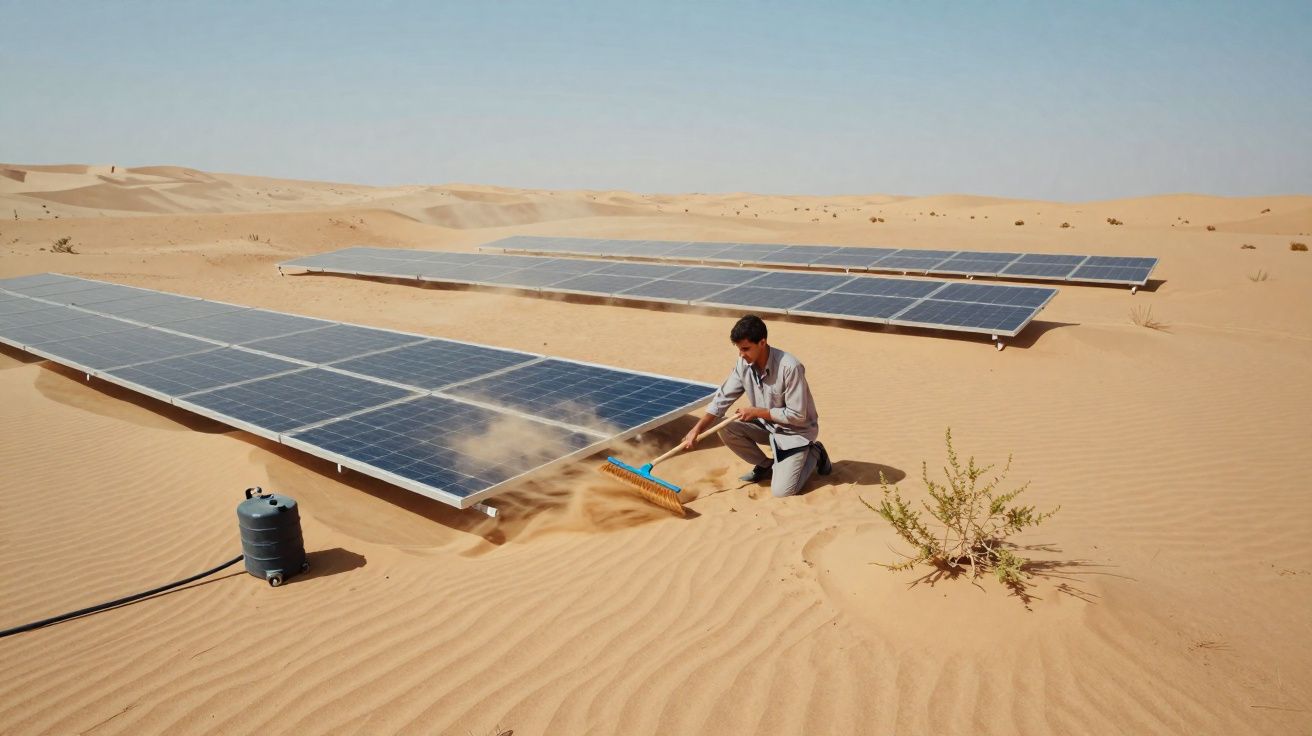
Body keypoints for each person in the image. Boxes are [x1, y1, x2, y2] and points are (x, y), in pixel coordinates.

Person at [681, 314, 831, 497]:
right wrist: (696, 429)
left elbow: (797, 415)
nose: (741, 355)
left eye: (746, 349)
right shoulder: (743, 364)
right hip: (768, 427)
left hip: (795, 433)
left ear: (762, 342)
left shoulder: (790, 367)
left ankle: (815, 453)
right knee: (725, 427)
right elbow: (722, 399)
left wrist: (757, 412)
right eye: (738, 349)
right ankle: (766, 465)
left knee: (782, 492)